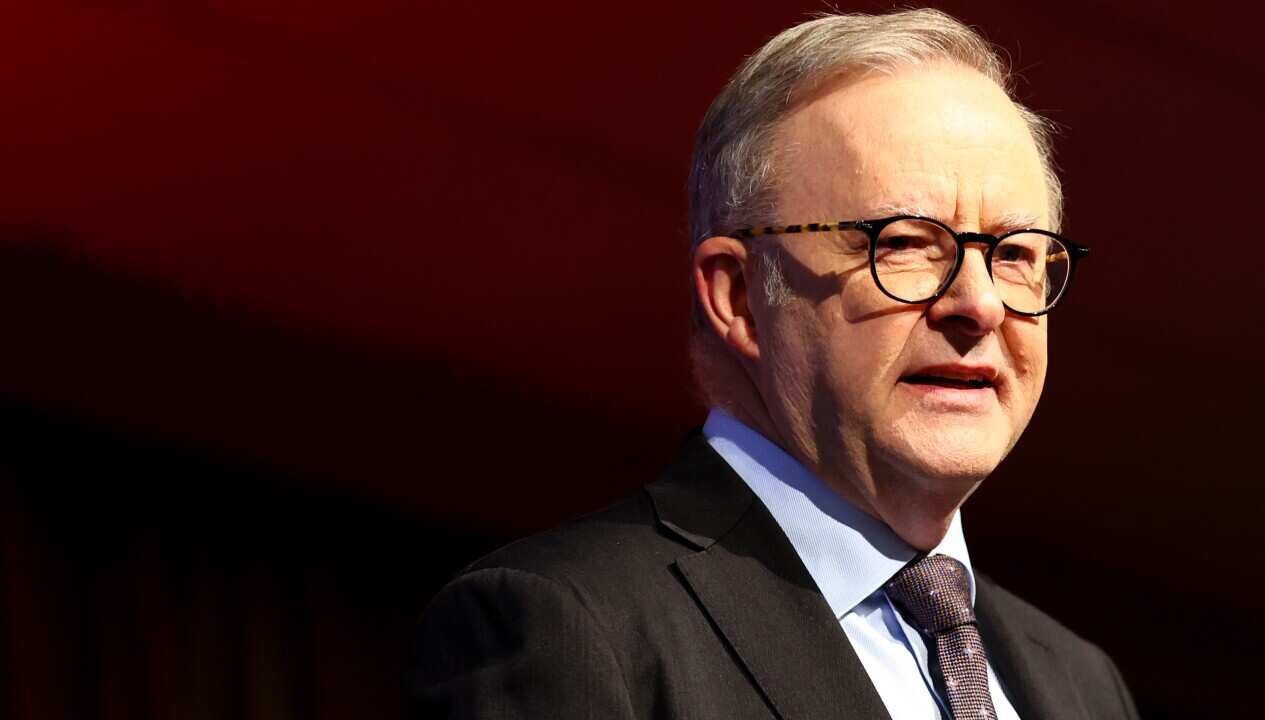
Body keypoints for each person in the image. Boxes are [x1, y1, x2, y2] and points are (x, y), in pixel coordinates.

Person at [408, 9, 1139, 719]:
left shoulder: (1079, 682)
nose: (978, 305)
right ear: (740, 297)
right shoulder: (572, 626)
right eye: (906, 243)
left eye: (1013, 254)